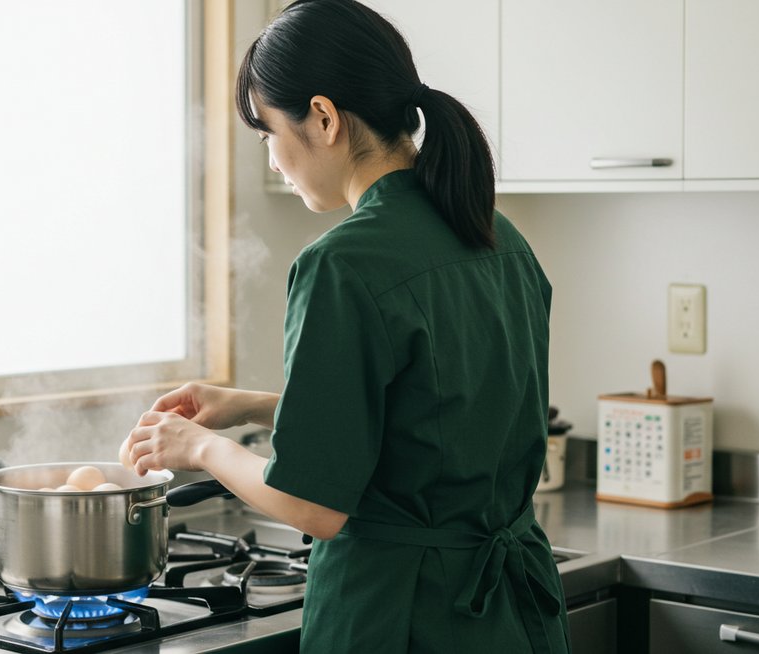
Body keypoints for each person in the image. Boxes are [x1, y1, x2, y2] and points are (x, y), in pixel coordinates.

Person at [121, 1, 569, 651]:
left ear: (324, 118)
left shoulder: (343, 263)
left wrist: (198, 449)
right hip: (510, 618)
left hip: (401, 615)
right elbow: (433, 424)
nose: (272, 159)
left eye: (269, 132)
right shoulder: (502, 239)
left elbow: (313, 508)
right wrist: (251, 407)